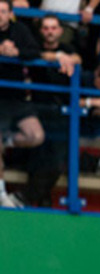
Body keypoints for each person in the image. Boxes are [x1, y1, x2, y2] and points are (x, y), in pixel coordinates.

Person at [0, 0, 45, 208]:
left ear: (10, 14)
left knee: (36, 136)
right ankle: (1, 193)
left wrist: (16, 52)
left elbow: (36, 52)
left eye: (2, 11)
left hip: (16, 99)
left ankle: (7, 140)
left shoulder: (20, 30)